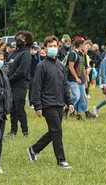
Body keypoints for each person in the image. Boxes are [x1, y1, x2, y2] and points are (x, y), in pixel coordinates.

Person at [28, 35, 74, 169]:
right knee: (57, 131)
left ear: (58, 47)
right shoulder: (41, 66)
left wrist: (69, 102)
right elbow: (36, 87)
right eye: (50, 46)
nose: (52, 48)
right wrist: (37, 105)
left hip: (59, 103)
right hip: (48, 104)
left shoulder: (59, 64)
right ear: (45, 49)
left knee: (54, 131)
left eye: (54, 46)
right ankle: (61, 160)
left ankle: (33, 149)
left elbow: (64, 85)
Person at [6, 30, 33, 137]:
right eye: (18, 37)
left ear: (27, 41)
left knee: (19, 108)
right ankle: (13, 131)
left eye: (22, 38)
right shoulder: (12, 53)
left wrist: (9, 79)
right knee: (12, 109)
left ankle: (25, 132)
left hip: (20, 85)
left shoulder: (26, 54)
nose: (19, 39)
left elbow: (21, 72)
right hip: (10, 84)